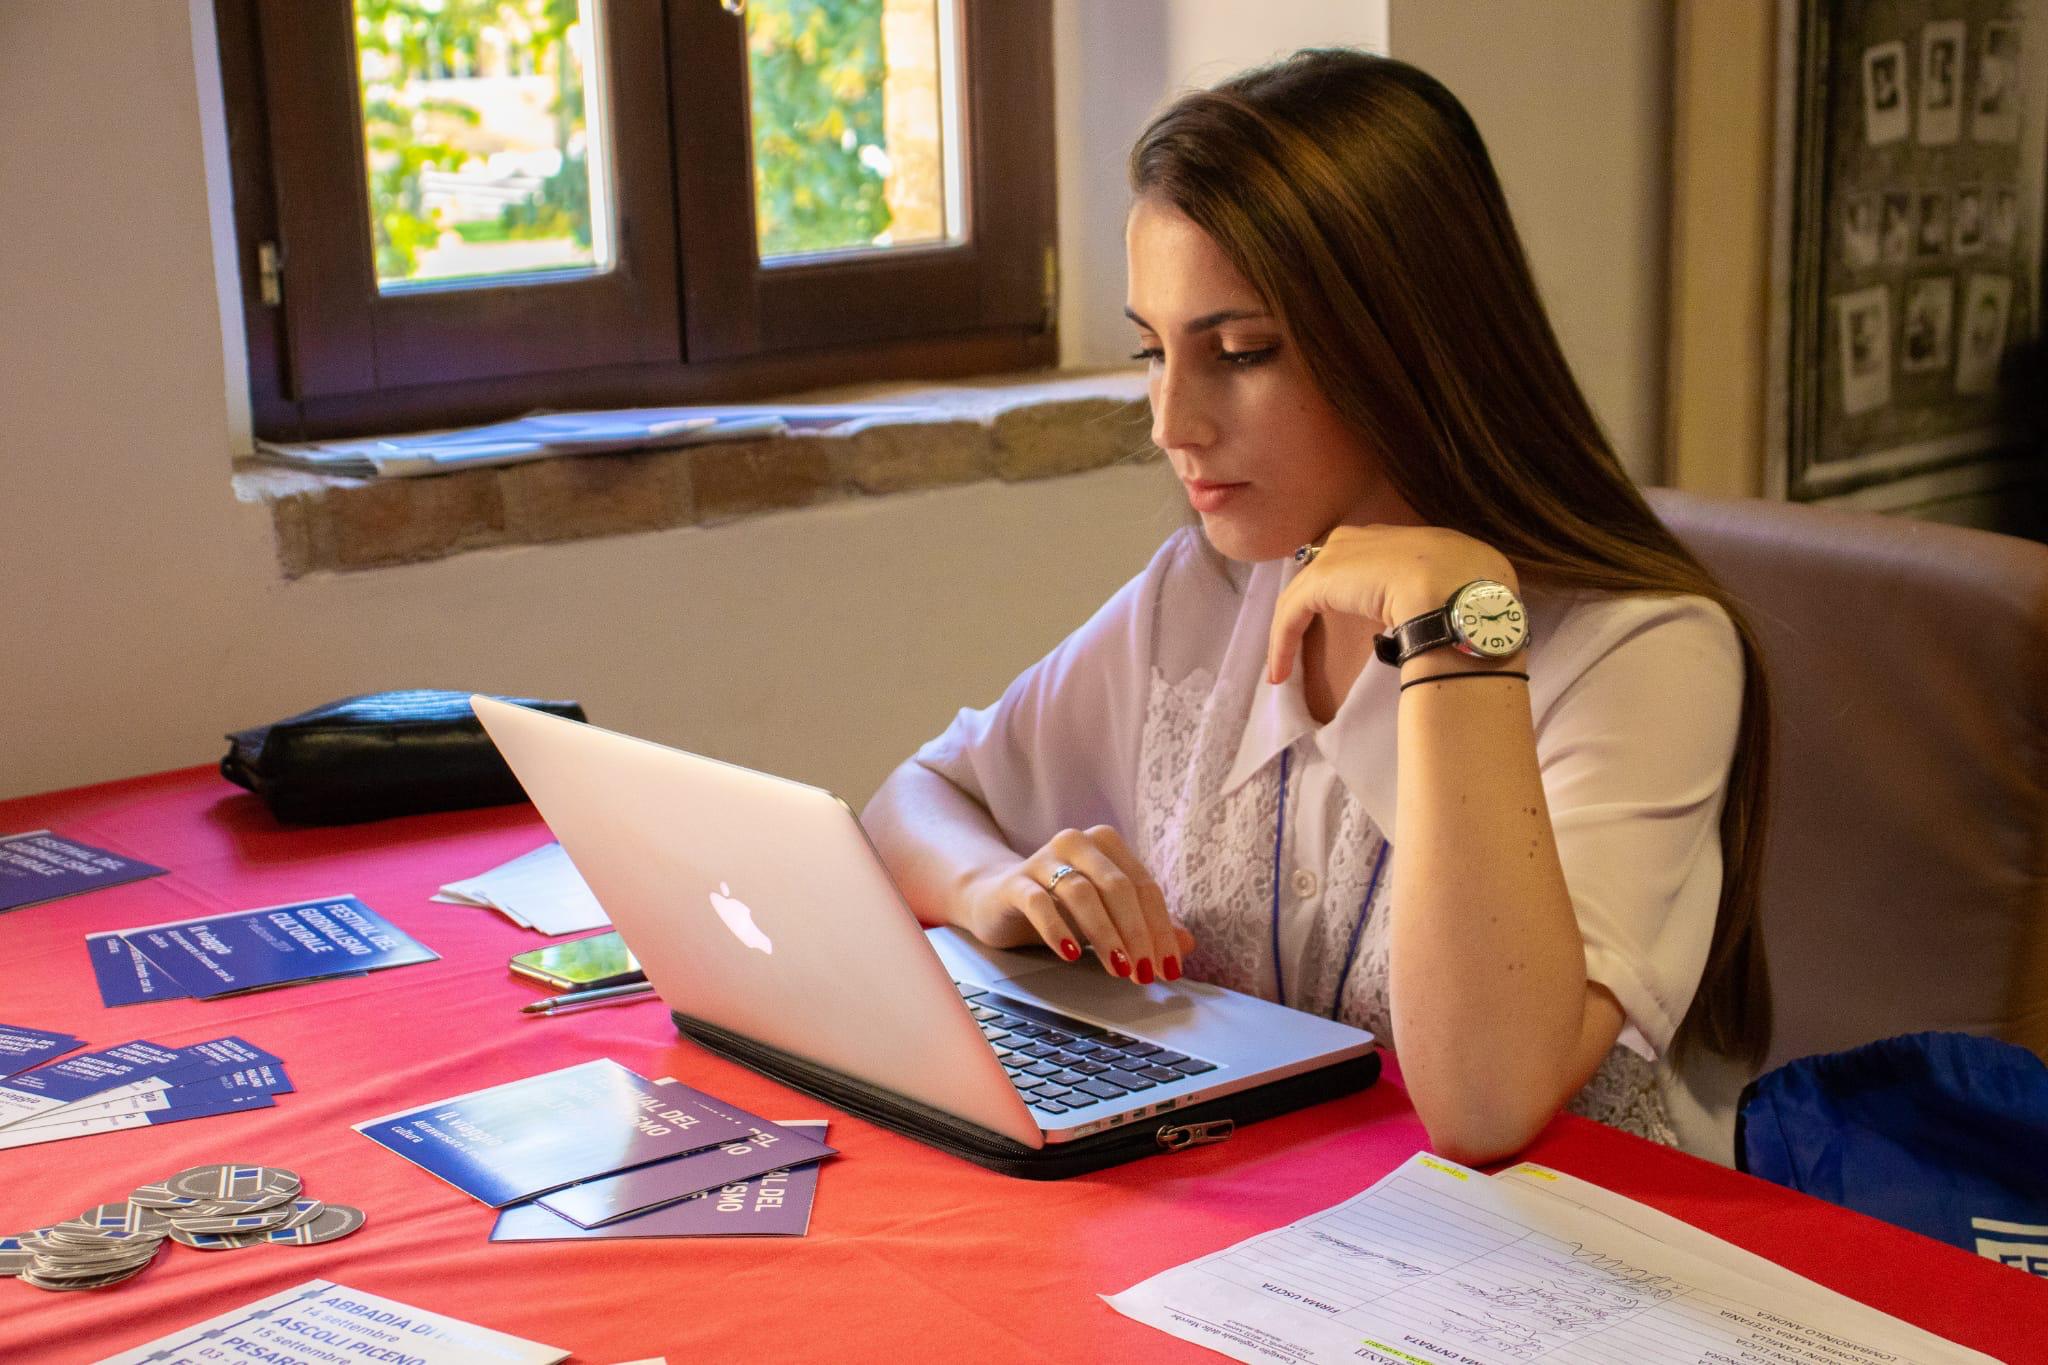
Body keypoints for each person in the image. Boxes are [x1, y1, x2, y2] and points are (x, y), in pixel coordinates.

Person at [862, 50, 1773, 1164]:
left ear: (1410, 342)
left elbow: (1483, 1106)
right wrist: (998, 885)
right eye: (1153, 351)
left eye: (1239, 352)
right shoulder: (1207, 591)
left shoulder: (1647, 655)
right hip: (1266, 1242)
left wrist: (1454, 624)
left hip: (1558, 1277)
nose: (1170, 424)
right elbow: (912, 800)